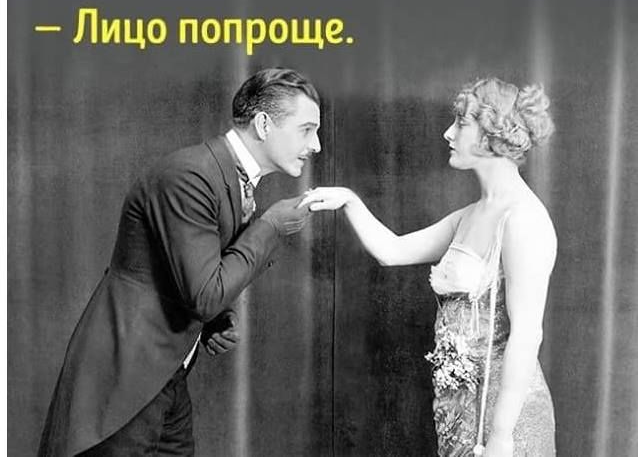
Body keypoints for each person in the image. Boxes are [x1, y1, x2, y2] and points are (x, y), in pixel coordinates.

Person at [39, 68, 321, 456]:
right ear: (263, 124)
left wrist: (215, 321)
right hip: (125, 383)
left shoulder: (225, 176)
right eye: (307, 130)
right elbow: (205, 294)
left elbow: (190, 274)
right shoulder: (191, 175)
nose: (316, 145)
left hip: (166, 376)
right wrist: (270, 226)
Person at [301, 77, 556, 457]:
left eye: (461, 123)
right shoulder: (470, 215)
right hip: (459, 408)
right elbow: (392, 250)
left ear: (492, 134)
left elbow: (527, 334)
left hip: (506, 415)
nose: (448, 132)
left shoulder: (523, 219)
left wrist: (502, 436)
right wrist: (349, 200)